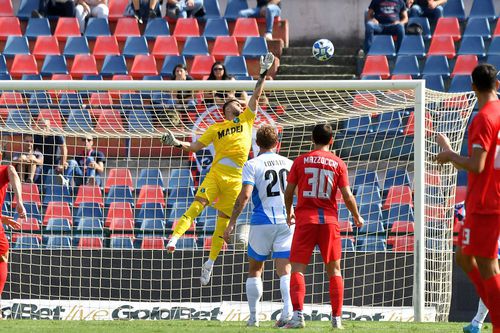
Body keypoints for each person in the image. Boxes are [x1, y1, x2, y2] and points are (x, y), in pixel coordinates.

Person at [161, 52, 276, 286]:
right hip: (216, 172)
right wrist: (176, 143)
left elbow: (257, 93)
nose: (239, 102)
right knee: (197, 206)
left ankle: (210, 264)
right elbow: (194, 147)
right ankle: (174, 237)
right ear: (228, 108)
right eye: (235, 101)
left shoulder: (246, 120)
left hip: (236, 178)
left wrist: (263, 73)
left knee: (222, 225)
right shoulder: (215, 128)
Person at [435, 63, 500, 333]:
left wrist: (449, 154)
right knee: (465, 256)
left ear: (473, 87)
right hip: (485, 199)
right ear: (496, 84)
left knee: (484, 263)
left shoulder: (484, 117)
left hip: (487, 200)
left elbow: (477, 165)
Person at [282, 124, 364, 329]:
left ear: (312, 139)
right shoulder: (338, 163)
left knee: (298, 269)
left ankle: (298, 316)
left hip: (305, 221)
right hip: (329, 222)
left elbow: (289, 191)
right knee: (335, 270)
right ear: (332, 140)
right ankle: (337, 319)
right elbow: (347, 195)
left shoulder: (300, 161)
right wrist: (356, 216)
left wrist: (288, 211)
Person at [223, 124, 294, 328]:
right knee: (285, 269)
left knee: (255, 269)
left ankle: (253, 318)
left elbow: (245, 196)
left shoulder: (252, 164)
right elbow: (295, 193)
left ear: (256, 143)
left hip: (262, 221)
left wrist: (232, 223)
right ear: (277, 143)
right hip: (287, 221)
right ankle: (288, 312)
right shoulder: (289, 163)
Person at [0, 162, 26, 314]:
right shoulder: (4, 169)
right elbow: (12, 170)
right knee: (2, 254)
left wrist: (2, 218)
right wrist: (19, 201)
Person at [33, 118, 68, 185]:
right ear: (38, 127)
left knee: (70, 165)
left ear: (49, 126)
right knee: (39, 176)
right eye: (41, 127)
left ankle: (65, 181)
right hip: (43, 163)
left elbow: (64, 149)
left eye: (45, 126)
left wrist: (62, 164)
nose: (43, 129)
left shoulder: (56, 133)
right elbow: (32, 150)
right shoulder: (36, 136)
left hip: (56, 162)